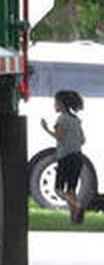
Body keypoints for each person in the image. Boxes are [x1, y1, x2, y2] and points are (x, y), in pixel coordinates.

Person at [42, 90, 88, 224]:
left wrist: (45, 128)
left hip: (66, 157)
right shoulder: (76, 119)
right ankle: (74, 219)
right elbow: (83, 140)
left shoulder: (61, 119)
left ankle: (78, 206)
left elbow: (59, 137)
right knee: (72, 189)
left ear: (62, 104)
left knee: (58, 190)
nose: (54, 105)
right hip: (78, 157)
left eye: (55, 102)